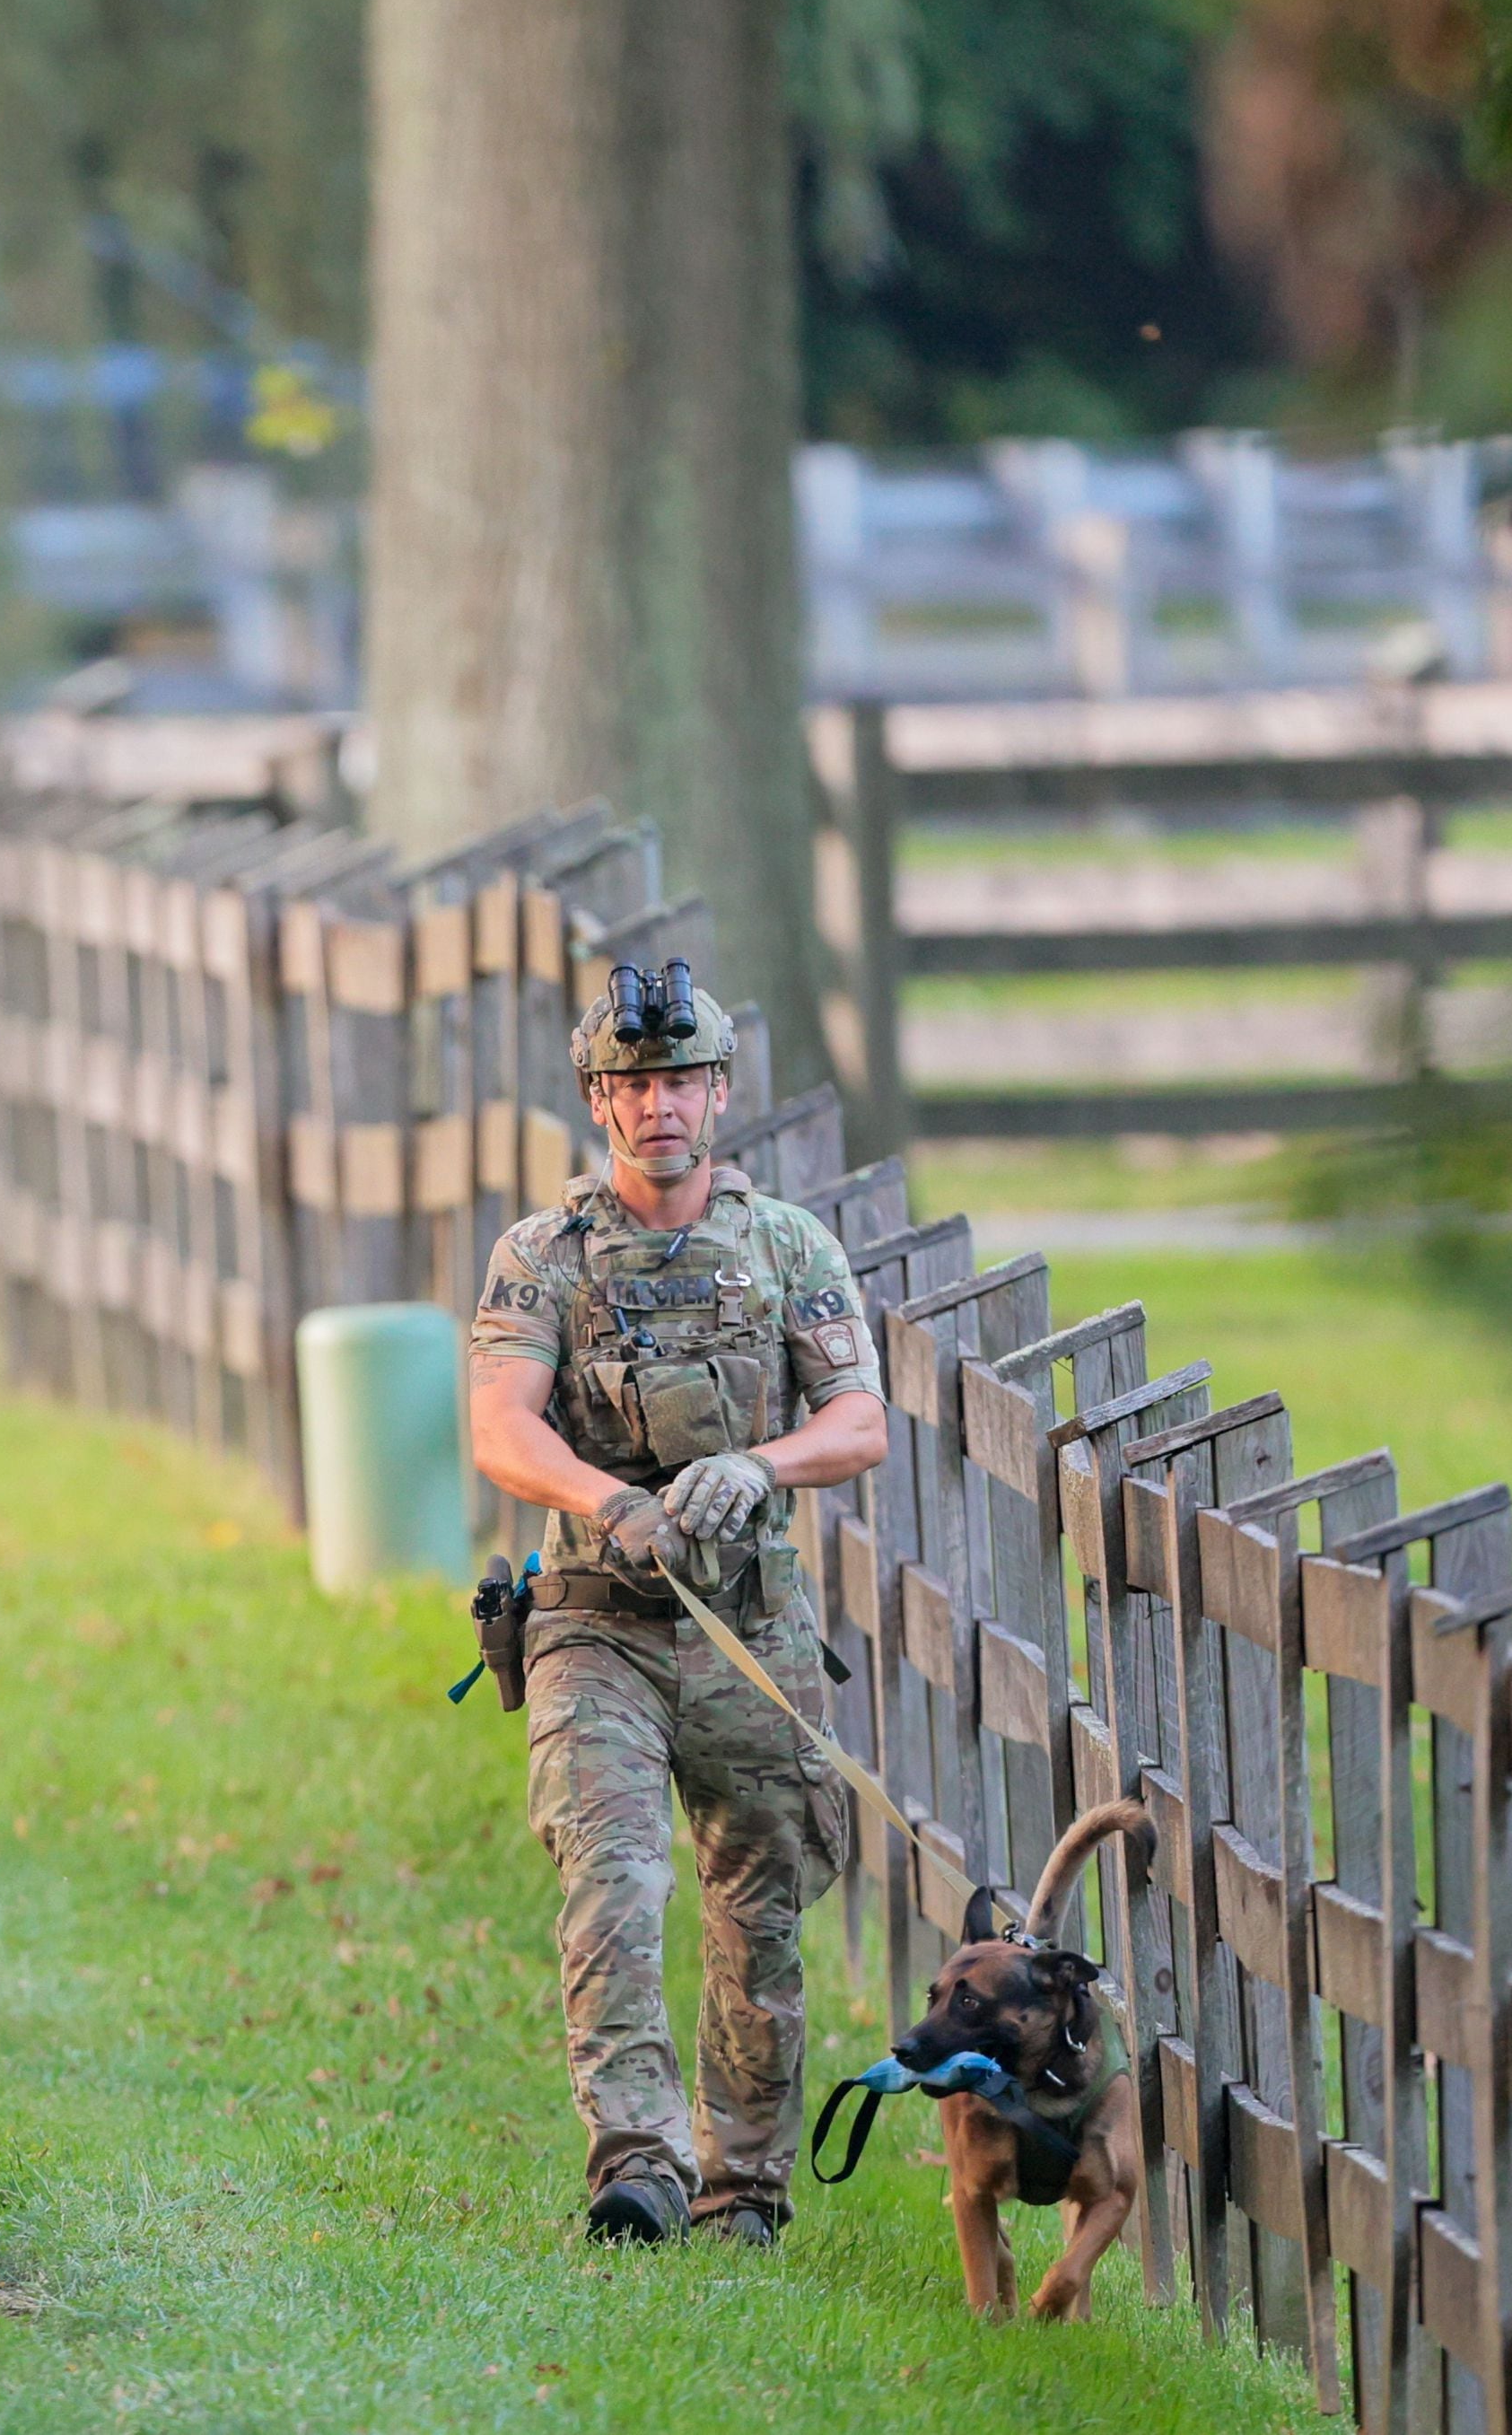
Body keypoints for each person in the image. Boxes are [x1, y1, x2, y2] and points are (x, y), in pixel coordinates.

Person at [464, 961, 890, 2247]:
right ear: (600, 1099)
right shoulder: (543, 1255)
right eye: (633, 1084)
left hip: (747, 1630)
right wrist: (611, 1500)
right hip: (596, 1625)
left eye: (681, 1081)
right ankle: (635, 2167)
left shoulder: (786, 1247)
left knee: (758, 1913)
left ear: (718, 1092)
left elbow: (858, 1422)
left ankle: (742, 2185)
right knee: (613, 1878)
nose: (659, 1107)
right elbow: (498, 1424)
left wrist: (752, 1464)